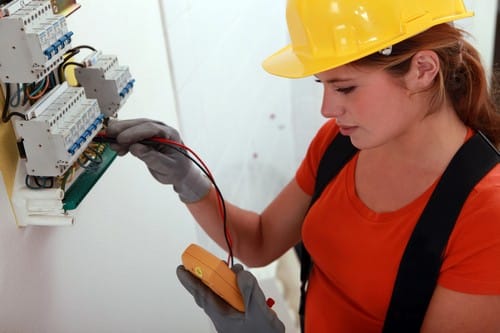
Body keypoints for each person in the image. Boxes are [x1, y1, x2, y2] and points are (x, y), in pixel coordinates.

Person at [105, 0, 500, 332]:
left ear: (422, 70)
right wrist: (189, 180)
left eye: (344, 87)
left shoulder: (486, 214)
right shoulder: (341, 144)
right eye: (322, 85)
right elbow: (259, 240)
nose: (327, 109)